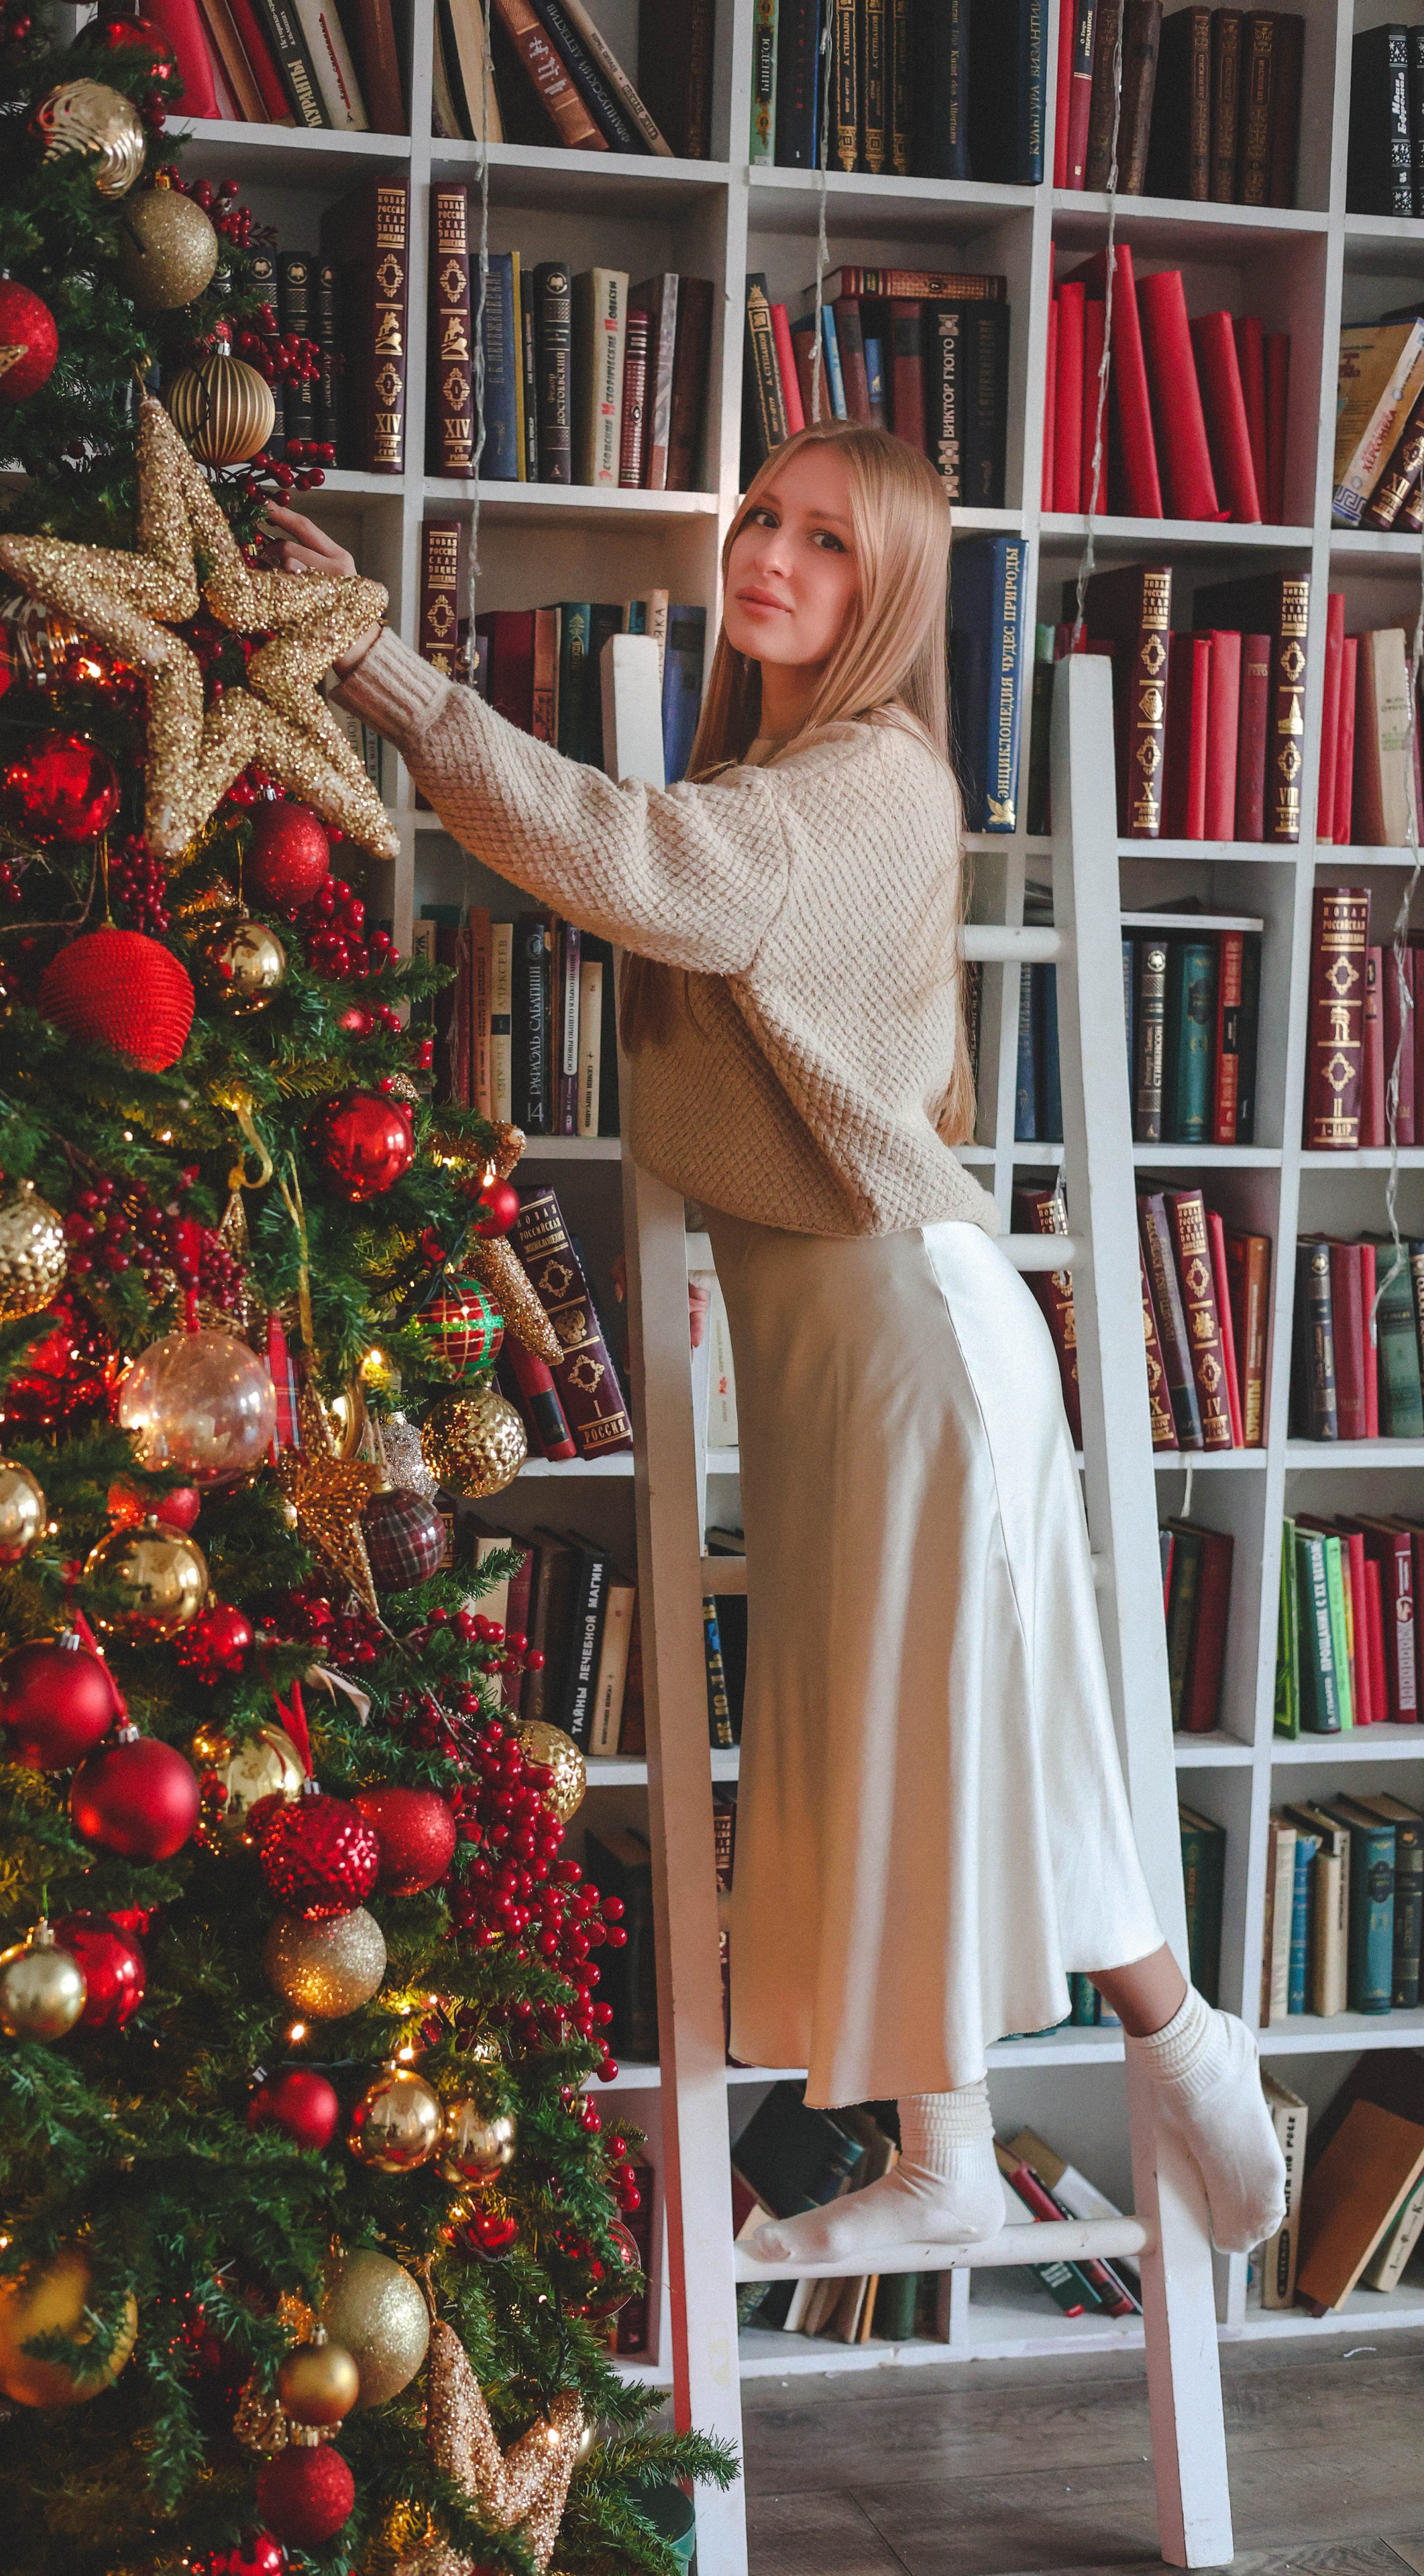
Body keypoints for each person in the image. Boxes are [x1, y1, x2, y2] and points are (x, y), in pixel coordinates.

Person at [269, 423, 1285, 2270]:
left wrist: (394, 683)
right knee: (877, 1734)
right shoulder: (784, 779)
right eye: (761, 519)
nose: (770, 556)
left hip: (909, 1320)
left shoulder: (866, 779)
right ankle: (947, 2150)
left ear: (886, 592)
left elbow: (641, 862)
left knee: (991, 1716)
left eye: (826, 540)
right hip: (834, 1337)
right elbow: (677, 868)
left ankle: (1184, 2037)